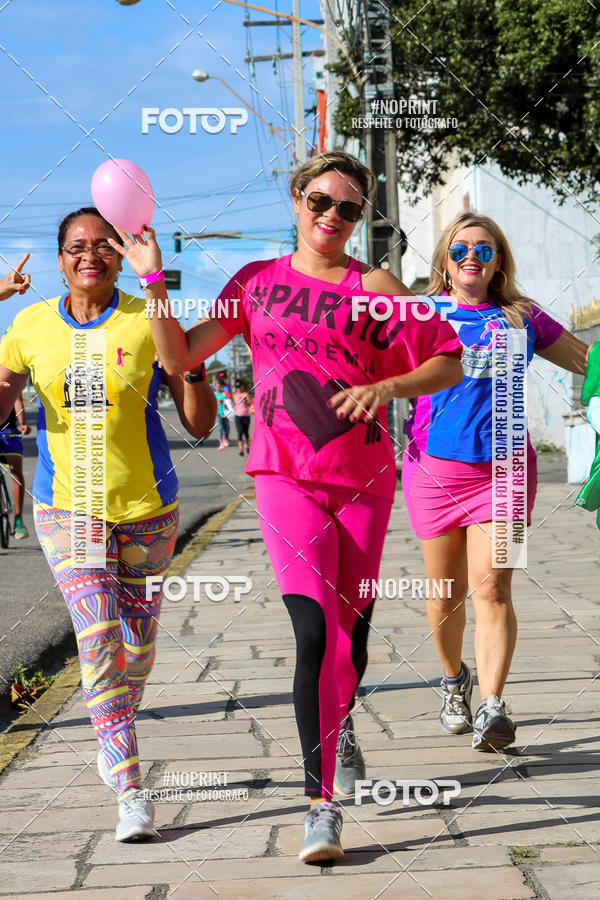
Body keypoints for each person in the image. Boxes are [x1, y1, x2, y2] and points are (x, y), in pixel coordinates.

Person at [120, 150, 464, 863]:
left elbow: (447, 360)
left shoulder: (377, 286)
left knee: (350, 639)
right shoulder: (255, 283)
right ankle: (321, 807)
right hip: (285, 475)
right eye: (320, 201)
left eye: (348, 208)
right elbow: (180, 359)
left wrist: (388, 388)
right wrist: (152, 279)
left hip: (364, 481)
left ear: (359, 217)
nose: (332, 216)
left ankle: (340, 727)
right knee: (314, 633)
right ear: (297, 199)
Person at [0, 210, 216, 841]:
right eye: (77, 246)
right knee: (97, 640)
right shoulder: (30, 325)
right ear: (59, 259)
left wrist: (190, 362)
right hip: (69, 509)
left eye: (104, 246)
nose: (90, 255)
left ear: (121, 257)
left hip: (148, 511)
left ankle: (112, 726)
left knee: (136, 650)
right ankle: (131, 790)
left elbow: (200, 423)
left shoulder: (147, 319)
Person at [402, 212, 588, 752]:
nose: (471, 258)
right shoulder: (420, 314)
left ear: (498, 261)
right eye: (460, 249)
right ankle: (453, 681)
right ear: (444, 259)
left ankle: (492, 706)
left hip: (506, 472)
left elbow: (588, 360)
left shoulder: (521, 317)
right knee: (445, 594)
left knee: (494, 588)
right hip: (434, 471)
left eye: (484, 250)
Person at [0, 392, 31, 539]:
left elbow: (16, 398)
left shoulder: (7, 377)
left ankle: (18, 520)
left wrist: (22, 422)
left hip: (8, 431)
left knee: (16, 472)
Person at [232, 379, 253, 456]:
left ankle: (246, 445)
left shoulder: (246, 394)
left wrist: (245, 401)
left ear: (242, 386)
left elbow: (250, 403)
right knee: (240, 433)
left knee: (246, 433)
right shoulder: (234, 395)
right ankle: (241, 450)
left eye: (240, 386)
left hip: (246, 416)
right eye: (237, 387)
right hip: (238, 416)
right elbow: (233, 405)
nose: (238, 388)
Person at [213, 378, 232, 449]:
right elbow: (210, 403)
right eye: (217, 386)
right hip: (218, 413)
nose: (218, 387)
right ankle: (221, 443)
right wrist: (216, 402)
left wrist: (223, 401)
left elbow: (231, 400)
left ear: (221, 387)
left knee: (226, 426)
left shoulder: (225, 393)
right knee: (220, 427)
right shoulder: (213, 394)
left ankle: (226, 438)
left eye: (219, 386)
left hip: (226, 413)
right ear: (215, 387)